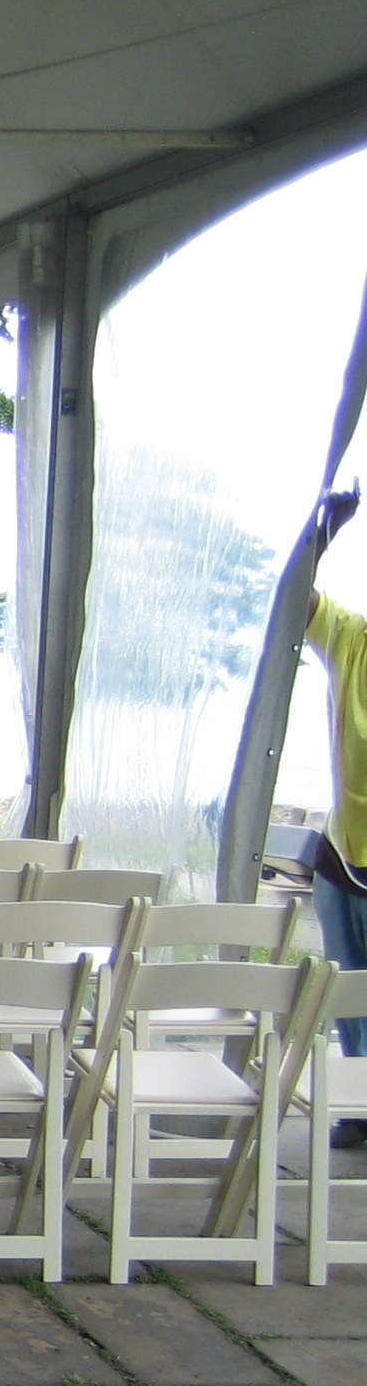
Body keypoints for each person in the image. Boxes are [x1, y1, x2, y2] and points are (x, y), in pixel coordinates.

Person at [307, 487, 367, 1148]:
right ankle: (360, 1104)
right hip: (343, 854)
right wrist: (322, 536)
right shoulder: (353, 638)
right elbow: (290, 606)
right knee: (351, 992)